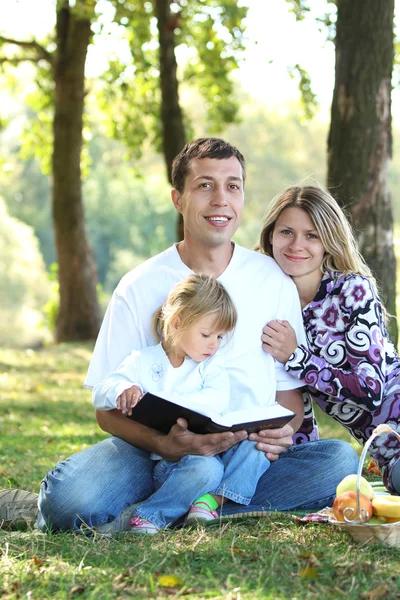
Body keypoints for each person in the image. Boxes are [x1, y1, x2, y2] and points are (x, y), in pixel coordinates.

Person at [0, 139, 358, 533]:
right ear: (178, 198)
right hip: (151, 453)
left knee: (338, 463)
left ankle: (158, 512)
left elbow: (286, 392)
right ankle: (182, 506)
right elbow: (106, 410)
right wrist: (164, 445)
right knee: (68, 503)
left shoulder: (272, 280)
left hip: (244, 452)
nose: (221, 199)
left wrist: (282, 432)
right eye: (205, 186)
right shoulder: (139, 285)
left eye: (233, 186)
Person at [93, 273, 272, 534]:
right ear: (177, 323)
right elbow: (100, 391)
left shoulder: (211, 367)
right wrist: (123, 389)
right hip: (176, 463)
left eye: (220, 337)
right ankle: (151, 515)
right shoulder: (142, 361)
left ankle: (208, 502)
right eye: (207, 334)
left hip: (216, 447)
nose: (214, 344)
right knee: (206, 467)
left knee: (259, 447)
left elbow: (216, 399)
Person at [258, 184, 400, 494]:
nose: (297, 245)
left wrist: (296, 356)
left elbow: (370, 390)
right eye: (286, 232)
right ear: (271, 235)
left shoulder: (352, 290)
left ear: (328, 242)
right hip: (387, 453)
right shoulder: (265, 304)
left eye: (312, 235)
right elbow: (295, 397)